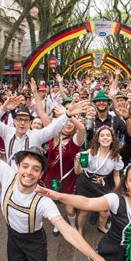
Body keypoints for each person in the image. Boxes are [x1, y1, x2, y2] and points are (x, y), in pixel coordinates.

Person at [0, 96, 131, 261]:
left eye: (35, 169)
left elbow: (68, 231)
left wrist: (98, 259)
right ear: (17, 166)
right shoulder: (7, 174)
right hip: (12, 237)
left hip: (34, 241)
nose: (28, 173)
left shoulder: (43, 199)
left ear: (41, 173)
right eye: (25, 166)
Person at [0, 94, 86, 168]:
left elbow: (53, 128)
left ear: (30, 123)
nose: (22, 123)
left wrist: (67, 114)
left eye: (25, 120)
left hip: (29, 180)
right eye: (19, 119)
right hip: (10, 178)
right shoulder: (7, 132)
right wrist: (3, 108)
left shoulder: (36, 135)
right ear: (14, 121)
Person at [42, 98, 86, 235]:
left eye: (72, 121)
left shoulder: (75, 141)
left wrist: (68, 115)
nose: (68, 124)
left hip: (69, 179)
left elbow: (82, 128)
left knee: (70, 209)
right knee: (52, 204)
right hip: (51, 178)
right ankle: (57, 225)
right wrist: (36, 94)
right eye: (65, 120)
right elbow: (43, 115)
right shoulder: (53, 135)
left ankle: (72, 225)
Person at [74, 127, 124, 235]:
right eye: (102, 135)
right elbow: (78, 172)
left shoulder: (116, 156)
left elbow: (116, 176)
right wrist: (77, 161)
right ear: (98, 139)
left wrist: (119, 190)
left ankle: (101, 226)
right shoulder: (90, 153)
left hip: (103, 184)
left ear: (112, 139)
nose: (105, 137)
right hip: (86, 183)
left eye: (108, 135)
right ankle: (80, 229)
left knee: (105, 210)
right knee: (84, 210)